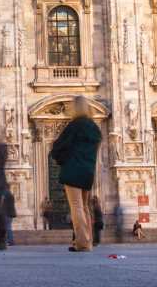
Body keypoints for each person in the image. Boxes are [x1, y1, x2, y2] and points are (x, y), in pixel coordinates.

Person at [50, 96, 102, 252]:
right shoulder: (94, 128)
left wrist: (61, 159)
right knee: (85, 207)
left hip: (73, 170)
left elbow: (59, 146)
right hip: (88, 172)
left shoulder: (74, 126)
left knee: (76, 207)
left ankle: (81, 243)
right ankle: (88, 241)